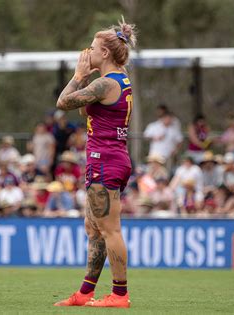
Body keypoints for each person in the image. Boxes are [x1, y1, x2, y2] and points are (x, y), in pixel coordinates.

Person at [54, 18, 136, 308]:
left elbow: (63, 103)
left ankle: (120, 294)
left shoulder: (104, 83)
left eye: (92, 47)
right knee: (94, 228)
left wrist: (78, 75)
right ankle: (86, 292)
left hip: (106, 161)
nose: (87, 52)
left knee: (110, 229)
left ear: (104, 54)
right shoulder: (120, 77)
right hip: (108, 159)